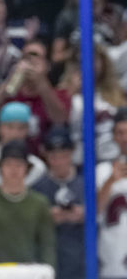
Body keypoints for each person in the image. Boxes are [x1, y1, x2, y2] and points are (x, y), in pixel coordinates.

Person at [0, 140, 55, 267]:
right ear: (0, 167)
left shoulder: (39, 203)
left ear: (27, 168)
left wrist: (48, 271)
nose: (13, 170)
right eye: (8, 164)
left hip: (28, 272)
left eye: (19, 165)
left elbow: (47, 245)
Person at [0, 39, 71, 154]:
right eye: (26, 58)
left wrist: (42, 83)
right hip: (8, 156)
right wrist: (10, 81)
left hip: (42, 158)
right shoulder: (10, 91)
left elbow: (60, 119)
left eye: (37, 58)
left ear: (47, 65)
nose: (31, 63)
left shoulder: (59, 93)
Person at [59, 44, 126, 165]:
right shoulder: (64, 93)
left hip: (111, 159)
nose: (89, 65)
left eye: (94, 59)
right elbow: (59, 121)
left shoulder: (116, 93)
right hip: (79, 161)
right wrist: (71, 93)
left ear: (103, 62)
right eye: (82, 60)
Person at [33, 128, 85, 279]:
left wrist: (84, 214)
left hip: (82, 259)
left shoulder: (86, 184)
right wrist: (47, 218)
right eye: (54, 157)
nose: (59, 162)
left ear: (72, 153)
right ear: (46, 155)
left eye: (64, 156)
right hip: (51, 260)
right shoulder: (37, 188)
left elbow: (100, 214)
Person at [0, 101, 46, 189]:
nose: (15, 133)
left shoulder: (38, 167)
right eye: (10, 127)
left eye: (21, 128)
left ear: (27, 130)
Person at [0, 0, 39, 89]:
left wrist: (30, 41)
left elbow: (33, 65)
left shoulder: (21, 33)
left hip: (18, 89)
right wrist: (3, 45)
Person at [96, 109, 127, 279]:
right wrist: (110, 182)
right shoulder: (102, 171)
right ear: (114, 137)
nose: (125, 138)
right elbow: (93, 213)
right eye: (120, 133)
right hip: (112, 262)